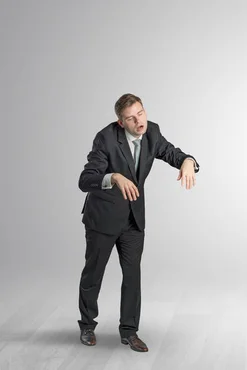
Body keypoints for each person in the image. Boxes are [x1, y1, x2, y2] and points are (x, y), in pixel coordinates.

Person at [77, 93, 199, 352]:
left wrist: (188, 162)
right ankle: (87, 325)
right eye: (131, 118)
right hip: (103, 217)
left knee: (132, 277)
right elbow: (85, 179)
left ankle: (129, 332)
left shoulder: (152, 131)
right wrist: (114, 177)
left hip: (133, 219)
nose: (139, 121)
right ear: (121, 122)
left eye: (141, 113)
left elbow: (172, 153)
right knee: (94, 273)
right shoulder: (106, 138)